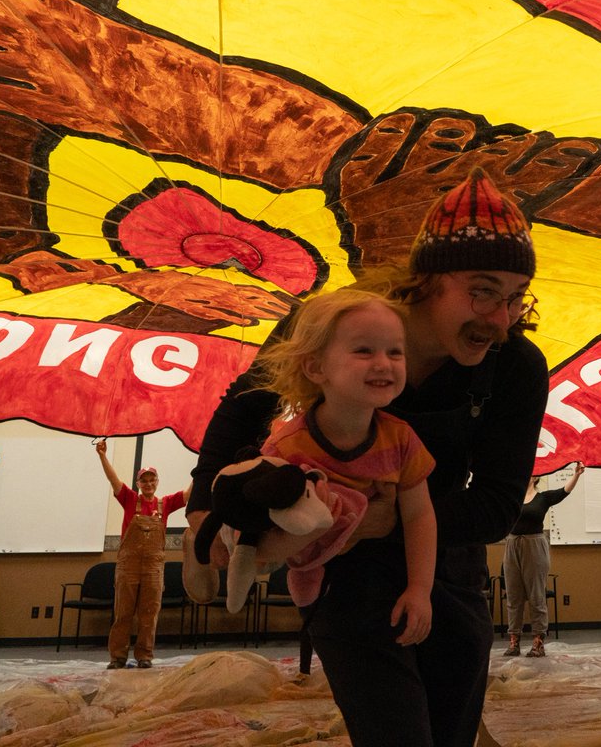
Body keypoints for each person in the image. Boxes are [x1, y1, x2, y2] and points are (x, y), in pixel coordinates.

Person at [184, 166, 549, 747]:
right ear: (428, 280)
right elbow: (245, 407)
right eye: (481, 291)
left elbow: (498, 506)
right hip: (342, 567)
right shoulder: (335, 324)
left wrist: (394, 519)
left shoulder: (516, 368)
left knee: (450, 729)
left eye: (512, 298)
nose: (498, 320)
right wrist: (203, 510)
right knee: (395, 731)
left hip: (443, 567)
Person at [253, 289, 438, 644]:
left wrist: (419, 588)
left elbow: (419, 516)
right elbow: (263, 534)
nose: (384, 363)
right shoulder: (286, 447)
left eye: (395, 352)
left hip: (378, 576)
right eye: (364, 350)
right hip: (318, 573)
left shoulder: (400, 439)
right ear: (315, 367)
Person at [95, 439, 189, 670]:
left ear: (157, 482)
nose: (148, 483)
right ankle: (117, 657)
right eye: (143, 480)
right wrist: (102, 455)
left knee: (149, 614)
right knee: (123, 612)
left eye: (152, 479)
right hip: (128, 565)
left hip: (154, 567)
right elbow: (112, 479)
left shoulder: (165, 504)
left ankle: (144, 656)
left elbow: (188, 495)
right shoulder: (128, 499)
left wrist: (206, 463)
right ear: (138, 483)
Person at [502, 461, 583, 658]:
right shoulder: (512, 497)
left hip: (534, 545)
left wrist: (577, 475)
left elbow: (564, 491)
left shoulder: (543, 498)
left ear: (536, 477)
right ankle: (514, 642)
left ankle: (538, 642)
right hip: (512, 545)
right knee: (514, 595)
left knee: (536, 595)